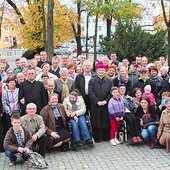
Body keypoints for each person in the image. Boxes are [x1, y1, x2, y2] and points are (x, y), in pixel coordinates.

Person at [89, 61, 112, 142]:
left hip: (106, 104)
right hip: (95, 104)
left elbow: (111, 92)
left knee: (106, 120)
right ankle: (97, 137)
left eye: (102, 70)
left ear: (105, 71)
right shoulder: (92, 80)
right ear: (97, 71)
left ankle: (106, 136)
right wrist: (97, 101)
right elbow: (90, 92)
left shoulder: (109, 81)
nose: (101, 71)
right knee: (96, 120)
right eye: (99, 70)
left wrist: (106, 101)